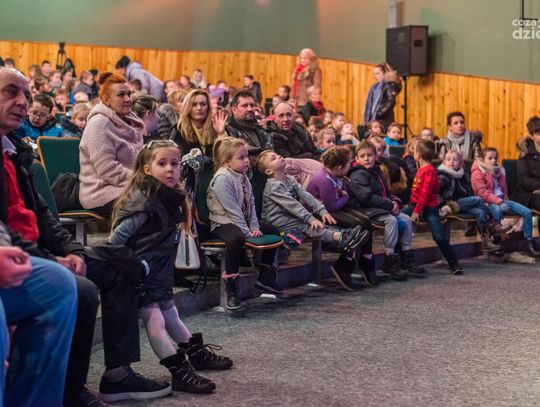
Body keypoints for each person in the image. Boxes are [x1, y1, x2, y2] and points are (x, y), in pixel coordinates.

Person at [0, 67, 171, 405]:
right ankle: (70, 390)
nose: (22, 102)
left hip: (36, 250)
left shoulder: (14, 149)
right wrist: (52, 259)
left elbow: (41, 214)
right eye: (10, 92)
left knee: (120, 263)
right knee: (83, 289)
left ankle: (117, 375)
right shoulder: (98, 124)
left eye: (26, 95)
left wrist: (71, 249)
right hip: (22, 253)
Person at [110, 140, 232, 395]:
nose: (170, 169)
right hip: (141, 274)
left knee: (171, 313)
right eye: (162, 163)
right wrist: (135, 268)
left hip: (158, 272)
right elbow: (115, 241)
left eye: (175, 163)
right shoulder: (144, 202)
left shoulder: (166, 196)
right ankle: (179, 372)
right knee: (154, 320)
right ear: (147, 169)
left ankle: (195, 354)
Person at [257, 150, 369, 291]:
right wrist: (309, 218)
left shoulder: (288, 178)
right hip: (276, 220)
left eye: (277, 154)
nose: (279, 156)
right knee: (308, 226)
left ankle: (344, 236)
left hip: (289, 217)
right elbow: (292, 204)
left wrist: (321, 210)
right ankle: (341, 237)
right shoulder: (274, 186)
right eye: (274, 158)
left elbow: (306, 195)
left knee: (314, 222)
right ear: (269, 171)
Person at [207, 137, 283, 310]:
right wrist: (248, 233)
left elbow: (251, 205)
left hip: (241, 221)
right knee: (236, 238)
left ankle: (265, 278)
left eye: (247, 156)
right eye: (241, 157)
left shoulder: (243, 177)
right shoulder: (222, 179)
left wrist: (254, 226)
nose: (247, 160)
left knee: (273, 230)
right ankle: (231, 288)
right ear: (226, 162)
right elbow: (233, 210)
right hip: (222, 223)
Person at [346, 140, 422, 280]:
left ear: (376, 156)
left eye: (370, 155)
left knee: (406, 219)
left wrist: (395, 201)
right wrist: (389, 205)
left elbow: (385, 192)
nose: (366, 158)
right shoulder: (358, 174)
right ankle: (390, 259)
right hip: (364, 210)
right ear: (357, 158)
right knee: (391, 221)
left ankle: (407, 257)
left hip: (379, 207)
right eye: (362, 156)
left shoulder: (377, 171)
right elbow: (367, 197)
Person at [306, 147, 377, 286]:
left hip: (333, 208)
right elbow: (331, 206)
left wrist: (343, 192)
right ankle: (345, 264)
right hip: (321, 214)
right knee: (357, 224)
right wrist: (345, 196)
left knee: (365, 221)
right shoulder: (324, 179)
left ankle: (366, 257)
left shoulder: (336, 175)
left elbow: (339, 196)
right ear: (339, 167)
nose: (350, 166)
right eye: (348, 164)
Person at [79, 72, 145, 217]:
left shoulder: (130, 121)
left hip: (129, 187)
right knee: (151, 202)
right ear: (106, 100)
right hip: (102, 193)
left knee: (167, 194)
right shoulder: (99, 124)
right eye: (121, 95)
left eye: (129, 94)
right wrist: (143, 179)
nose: (128, 99)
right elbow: (109, 170)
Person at [403, 140, 463, 274]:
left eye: (414, 151)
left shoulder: (429, 171)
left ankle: (454, 263)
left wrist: (416, 211)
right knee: (398, 221)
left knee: (438, 236)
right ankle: (403, 261)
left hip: (429, 208)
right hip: (415, 205)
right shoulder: (422, 169)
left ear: (418, 155)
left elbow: (425, 194)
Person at [471, 147, 539, 258]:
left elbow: (503, 189)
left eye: (495, 158)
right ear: (483, 159)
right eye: (490, 158)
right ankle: (497, 244)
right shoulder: (478, 172)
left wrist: (504, 199)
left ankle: (528, 243)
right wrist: (498, 201)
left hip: (503, 200)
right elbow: (482, 193)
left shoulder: (500, 170)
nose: (494, 160)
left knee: (527, 212)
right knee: (497, 210)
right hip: (488, 202)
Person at [437, 150, 499, 251]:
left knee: (480, 212)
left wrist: (471, 202)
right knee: (478, 199)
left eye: (455, 160)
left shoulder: (463, 174)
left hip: (464, 203)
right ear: (444, 162)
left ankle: (485, 241)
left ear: (461, 163)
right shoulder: (443, 175)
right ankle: (491, 225)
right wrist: (442, 205)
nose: (451, 161)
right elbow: (436, 193)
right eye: (448, 159)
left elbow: (469, 191)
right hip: (451, 203)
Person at [171, 89, 227, 156]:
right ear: (187, 107)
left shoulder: (216, 125)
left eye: (203, 104)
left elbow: (226, 155)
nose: (199, 108)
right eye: (194, 104)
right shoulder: (178, 129)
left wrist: (221, 133)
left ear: (208, 107)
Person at [511, 116, 540, 212]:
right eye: (539, 134)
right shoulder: (525, 153)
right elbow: (523, 179)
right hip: (529, 194)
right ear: (531, 136)